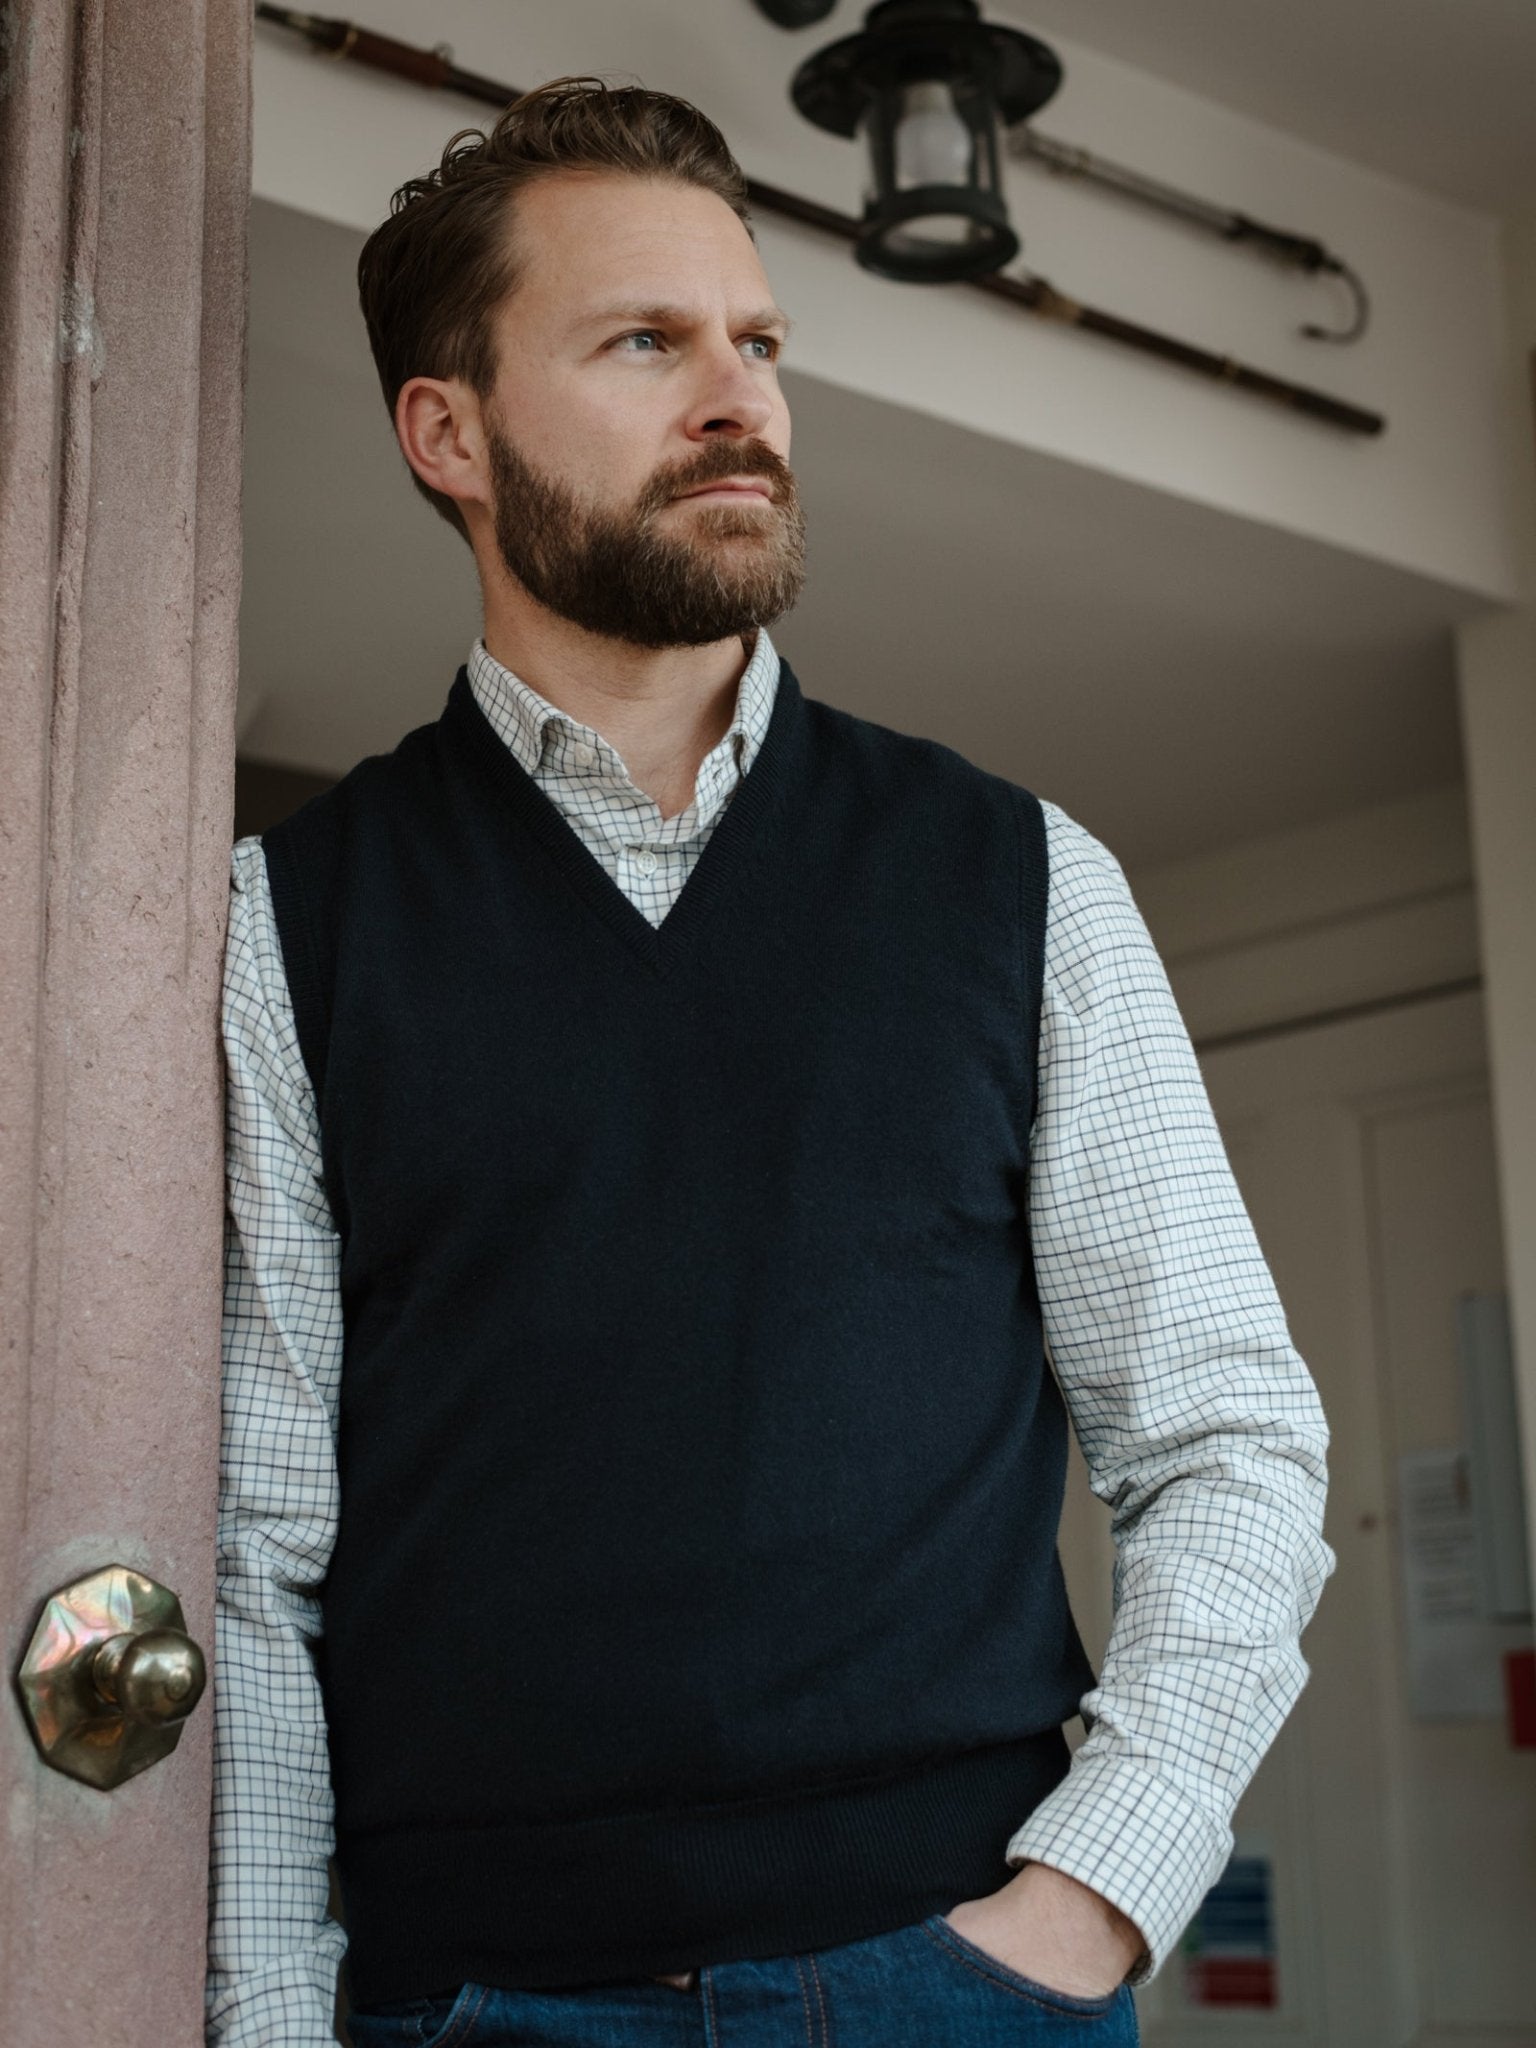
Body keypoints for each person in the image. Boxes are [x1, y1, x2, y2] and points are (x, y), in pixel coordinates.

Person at [207, 77, 1332, 2048]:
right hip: (470, 2001)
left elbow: (1229, 1433)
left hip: (957, 1979)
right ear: (446, 432)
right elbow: (252, 1557)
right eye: (646, 342)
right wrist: (271, 2021)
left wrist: (1089, 1902)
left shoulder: (1023, 879)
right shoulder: (281, 923)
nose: (739, 396)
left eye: (759, 343)